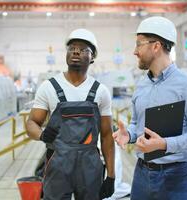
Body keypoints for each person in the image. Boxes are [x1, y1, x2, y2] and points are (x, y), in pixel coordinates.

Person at [112, 16, 187, 200]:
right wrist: (129, 134)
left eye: (139, 44)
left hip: (176, 176)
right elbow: (137, 123)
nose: (135, 51)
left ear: (156, 46)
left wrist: (165, 144)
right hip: (142, 172)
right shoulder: (142, 86)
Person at [26, 28, 115, 200]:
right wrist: (42, 135)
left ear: (92, 57)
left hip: (89, 166)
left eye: (83, 49)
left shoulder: (100, 91)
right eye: (72, 48)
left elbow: (107, 136)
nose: (75, 51)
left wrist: (111, 175)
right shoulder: (49, 87)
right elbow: (31, 123)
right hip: (58, 164)